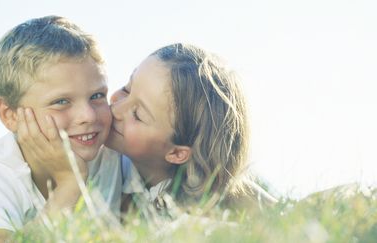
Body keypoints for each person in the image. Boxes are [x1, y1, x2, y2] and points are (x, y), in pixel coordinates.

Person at [17, 43, 276, 219]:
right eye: (128, 88)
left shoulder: (225, 199)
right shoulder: (99, 157)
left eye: (137, 115)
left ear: (177, 153)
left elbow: (283, 215)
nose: (115, 107)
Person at [0, 15, 123, 242]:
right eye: (61, 101)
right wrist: (69, 184)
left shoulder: (110, 153)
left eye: (97, 96)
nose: (88, 116)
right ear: (9, 114)